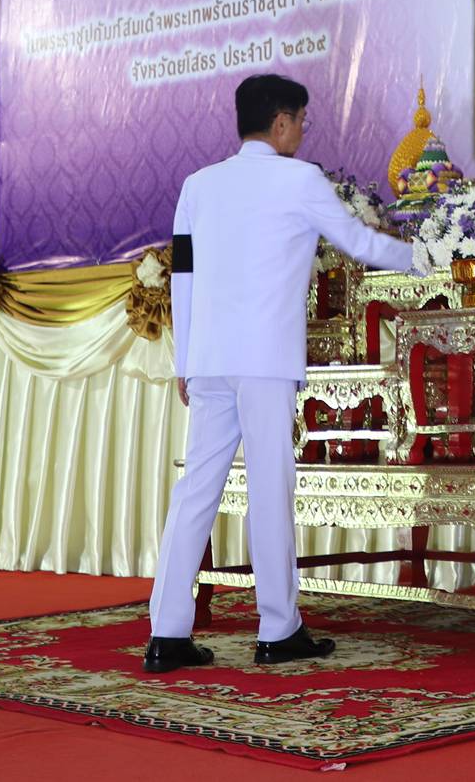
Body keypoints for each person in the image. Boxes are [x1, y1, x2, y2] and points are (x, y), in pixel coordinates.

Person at [143, 74, 415, 673]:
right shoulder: (300, 179)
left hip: (208, 360)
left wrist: (184, 360)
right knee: (270, 489)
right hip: (264, 363)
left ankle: (166, 633)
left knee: (196, 493)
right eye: (301, 121)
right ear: (283, 123)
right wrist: (430, 256)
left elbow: (181, 278)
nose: (302, 132)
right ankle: (278, 627)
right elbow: (360, 245)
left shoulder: (198, 185)